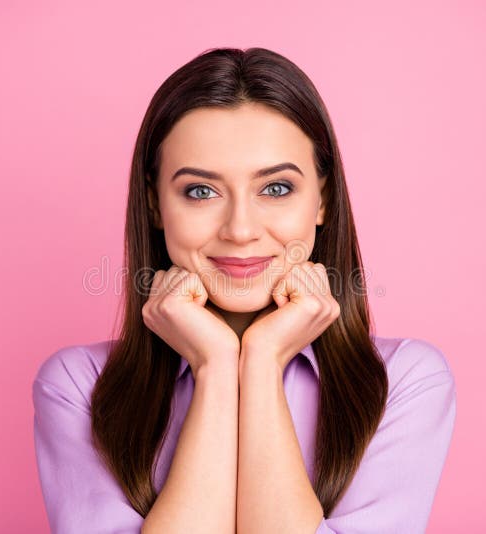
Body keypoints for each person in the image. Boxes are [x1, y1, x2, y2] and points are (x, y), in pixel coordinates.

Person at [32, 47, 456, 534]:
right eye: (200, 191)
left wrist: (262, 359)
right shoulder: (79, 388)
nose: (239, 229)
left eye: (275, 188)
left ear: (323, 199)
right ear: (154, 204)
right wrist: (214, 365)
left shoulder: (403, 383)